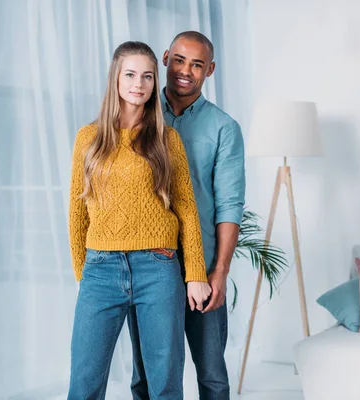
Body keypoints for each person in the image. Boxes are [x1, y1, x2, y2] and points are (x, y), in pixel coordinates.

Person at [67, 40, 211, 399]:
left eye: (147, 76)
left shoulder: (167, 139)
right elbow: (76, 209)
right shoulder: (88, 138)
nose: (139, 83)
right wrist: (82, 272)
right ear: (116, 78)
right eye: (130, 74)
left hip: (158, 267)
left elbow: (187, 209)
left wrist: (195, 274)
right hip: (100, 269)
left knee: (164, 383)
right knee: (84, 382)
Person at [128, 31, 245, 400]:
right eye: (179, 59)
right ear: (165, 59)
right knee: (147, 375)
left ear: (209, 70)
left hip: (202, 269)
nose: (185, 71)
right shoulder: (134, 117)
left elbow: (229, 205)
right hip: (145, 264)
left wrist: (220, 273)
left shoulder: (223, 128)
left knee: (211, 375)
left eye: (197, 64)